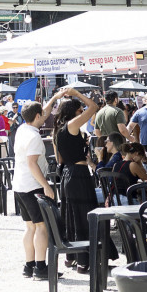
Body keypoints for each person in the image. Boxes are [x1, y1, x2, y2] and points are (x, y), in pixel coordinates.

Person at [16, 91, 66, 280]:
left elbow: (41, 112)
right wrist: (46, 185)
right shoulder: (34, 137)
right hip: (33, 185)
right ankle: (40, 267)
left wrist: (54, 98)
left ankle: (29, 266)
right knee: (42, 227)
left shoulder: (22, 128)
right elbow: (32, 163)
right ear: (37, 116)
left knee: (30, 227)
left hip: (20, 185)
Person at [53, 89, 100, 273]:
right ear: (74, 111)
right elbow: (93, 107)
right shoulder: (72, 125)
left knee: (72, 216)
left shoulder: (58, 130)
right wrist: (77, 94)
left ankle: (72, 257)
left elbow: (59, 159)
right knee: (83, 215)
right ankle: (83, 260)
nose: (82, 112)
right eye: (80, 110)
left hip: (67, 174)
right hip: (78, 173)